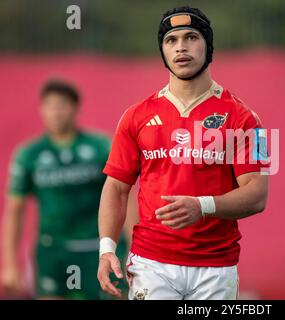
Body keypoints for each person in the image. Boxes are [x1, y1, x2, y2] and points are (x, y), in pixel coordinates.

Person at [97, 6, 270, 300]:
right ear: (163, 51)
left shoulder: (248, 119)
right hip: (151, 264)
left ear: (208, 46)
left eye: (191, 37)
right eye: (171, 40)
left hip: (217, 267)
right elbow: (115, 187)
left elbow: (258, 195)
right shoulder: (134, 116)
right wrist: (107, 249)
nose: (181, 47)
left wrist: (202, 205)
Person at [1, 79, 133, 299]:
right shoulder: (28, 154)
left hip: (98, 250)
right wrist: (10, 262)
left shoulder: (101, 147)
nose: (55, 112)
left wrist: (134, 248)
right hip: (53, 251)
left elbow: (122, 196)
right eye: (49, 106)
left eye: (62, 105)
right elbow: (15, 209)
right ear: (41, 110)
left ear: (75, 108)